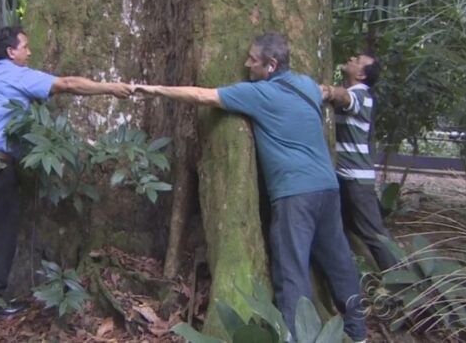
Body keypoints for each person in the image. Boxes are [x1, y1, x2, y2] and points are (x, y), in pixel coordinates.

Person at [134, 34, 366, 342]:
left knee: (291, 271)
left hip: (293, 194)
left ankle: (297, 337)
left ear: (271, 65)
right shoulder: (307, 85)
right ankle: (358, 333)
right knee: (340, 263)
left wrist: (152, 88)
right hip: (327, 187)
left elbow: (204, 96)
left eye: (252, 60)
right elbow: (328, 92)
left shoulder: (258, 94)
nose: (246, 64)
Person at [0, 26, 133, 316]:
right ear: (10, 52)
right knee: (0, 232)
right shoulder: (16, 74)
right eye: (25, 47)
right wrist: (111, 88)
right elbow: (66, 83)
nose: (29, 52)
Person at [320, 54, 398, 271]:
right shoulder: (355, 94)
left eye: (358, 60)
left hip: (357, 180)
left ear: (361, 74)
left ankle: (402, 282)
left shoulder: (361, 95)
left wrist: (327, 91)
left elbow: (345, 98)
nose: (352, 58)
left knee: (373, 233)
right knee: (343, 229)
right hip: (343, 177)